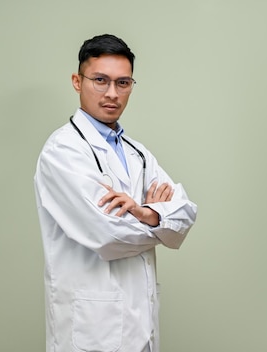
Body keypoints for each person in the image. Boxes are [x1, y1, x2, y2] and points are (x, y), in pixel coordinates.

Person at [33, 34, 198, 352]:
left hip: (141, 325)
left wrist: (145, 212)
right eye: (100, 80)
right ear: (76, 82)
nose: (112, 93)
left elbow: (186, 214)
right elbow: (109, 236)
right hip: (93, 329)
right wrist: (160, 224)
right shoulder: (63, 151)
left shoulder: (137, 153)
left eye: (123, 83)